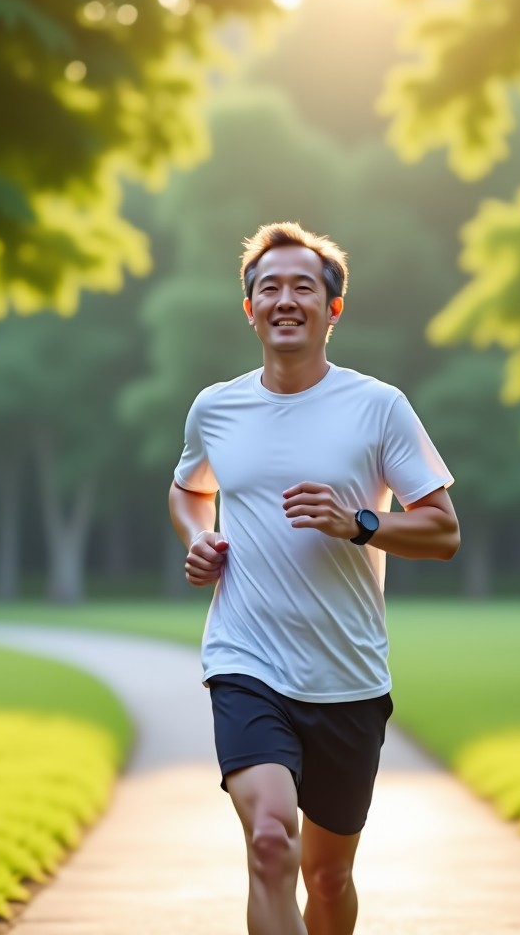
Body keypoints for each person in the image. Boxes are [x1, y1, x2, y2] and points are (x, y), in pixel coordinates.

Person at [168, 221, 460, 935]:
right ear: (250, 309)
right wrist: (200, 537)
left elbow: (444, 531)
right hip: (247, 662)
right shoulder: (217, 408)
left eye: (304, 286)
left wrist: (358, 522)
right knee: (270, 843)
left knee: (326, 878)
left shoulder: (378, 406)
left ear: (333, 309)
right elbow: (187, 488)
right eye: (269, 287)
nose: (285, 298)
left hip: (348, 678)